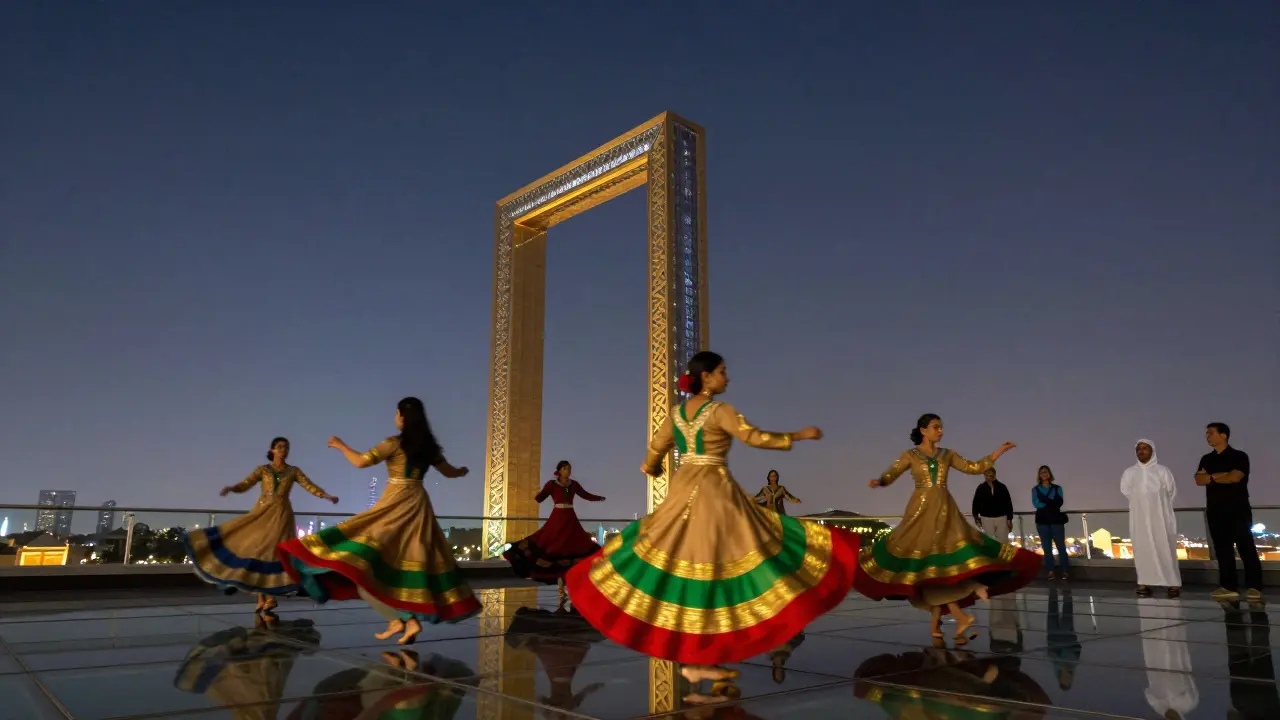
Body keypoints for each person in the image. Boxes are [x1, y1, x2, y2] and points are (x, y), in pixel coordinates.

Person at [563, 351, 861, 691]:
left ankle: (697, 660)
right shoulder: (722, 411)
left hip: (683, 488)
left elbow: (657, 446)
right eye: (722, 372)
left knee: (685, 563)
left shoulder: (676, 414)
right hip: (715, 492)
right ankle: (702, 659)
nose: (727, 378)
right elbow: (753, 437)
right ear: (705, 377)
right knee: (725, 562)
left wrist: (651, 465)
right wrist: (797, 436)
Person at [277, 397, 482, 644]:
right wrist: (462, 471)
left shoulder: (393, 443)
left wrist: (341, 445)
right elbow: (450, 472)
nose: (395, 418)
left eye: (396, 414)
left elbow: (361, 461)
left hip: (395, 504)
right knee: (404, 563)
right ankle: (404, 621)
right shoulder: (429, 448)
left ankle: (400, 620)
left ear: (402, 417)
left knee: (364, 564)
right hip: (418, 505)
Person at [856, 414, 1041, 643]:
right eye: (936, 427)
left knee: (941, 561)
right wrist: (880, 481)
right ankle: (950, 620)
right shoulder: (910, 455)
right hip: (921, 509)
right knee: (927, 563)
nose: (940, 431)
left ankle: (952, 617)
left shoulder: (947, 454)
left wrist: (998, 452)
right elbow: (892, 473)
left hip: (945, 509)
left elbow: (973, 467)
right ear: (923, 430)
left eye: (941, 427)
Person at [184, 437, 338, 612]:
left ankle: (270, 597)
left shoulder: (293, 471)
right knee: (258, 551)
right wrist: (232, 488)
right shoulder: (263, 470)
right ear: (272, 450)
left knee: (273, 553)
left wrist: (326, 496)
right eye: (279, 447)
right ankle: (260, 598)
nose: (283, 450)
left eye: (286, 447)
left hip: (281, 514)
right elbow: (246, 484)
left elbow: (309, 486)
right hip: (261, 512)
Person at [503, 460, 606, 604]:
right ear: (559, 470)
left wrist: (599, 498)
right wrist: (535, 493)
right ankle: (561, 589)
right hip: (557, 518)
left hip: (570, 519)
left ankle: (570, 586)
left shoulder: (574, 484)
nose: (568, 471)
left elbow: (585, 495)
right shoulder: (551, 485)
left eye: (569, 469)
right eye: (565, 469)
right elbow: (540, 498)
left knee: (574, 547)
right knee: (553, 546)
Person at [1196, 422, 1262, 602]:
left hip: (1238, 508)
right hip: (1215, 510)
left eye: (1210, 433)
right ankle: (1228, 586)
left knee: (1246, 547)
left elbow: (1236, 477)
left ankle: (1254, 587)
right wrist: (1220, 476)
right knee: (1222, 549)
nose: (1207, 436)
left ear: (1223, 435)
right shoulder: (1206, 458)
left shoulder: (1239, 456)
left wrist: (1210, 477)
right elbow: (1199, 480)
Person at [1121, 439, 1182, 598]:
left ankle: (1172, 583)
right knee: (1142, 549)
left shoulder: (1163, 471)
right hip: (1139, 517)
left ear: (1152, 451)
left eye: (1144, 448)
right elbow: (1126, 491)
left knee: (1165, 547)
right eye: (1138, 449)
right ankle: (1145, 582)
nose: (1141, 451)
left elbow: (1171, 491)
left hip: (1160, 517)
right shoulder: (1129, 473)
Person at [1032, 466, 1069, 581]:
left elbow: (1059, 502)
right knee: (1047, 548)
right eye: (1042, 472)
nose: (1044, 474)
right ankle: (1050, 571)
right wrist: (1051, 502)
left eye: (1046, 472)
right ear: (1039, 475)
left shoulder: (1058, 488)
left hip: (1056, 521)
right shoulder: (1035, 489)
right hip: (1042, 522)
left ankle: (1065, 570)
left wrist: (1045, 502)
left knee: (1061, 547)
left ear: (1049, 474)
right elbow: (1036, 504)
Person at [971, 467, 1013, 539]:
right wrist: (976, 517)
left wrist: (1009, 518)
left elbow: (1008, 503)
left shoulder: (1002, 487)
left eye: (990, 474)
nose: (989, 476)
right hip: (986, 518)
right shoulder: (981, 487)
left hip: (1001, 517)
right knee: (989, 541)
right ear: (984, 475)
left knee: (1003, 540)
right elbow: (976, 503)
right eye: (987, 474)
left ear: (994, 474)